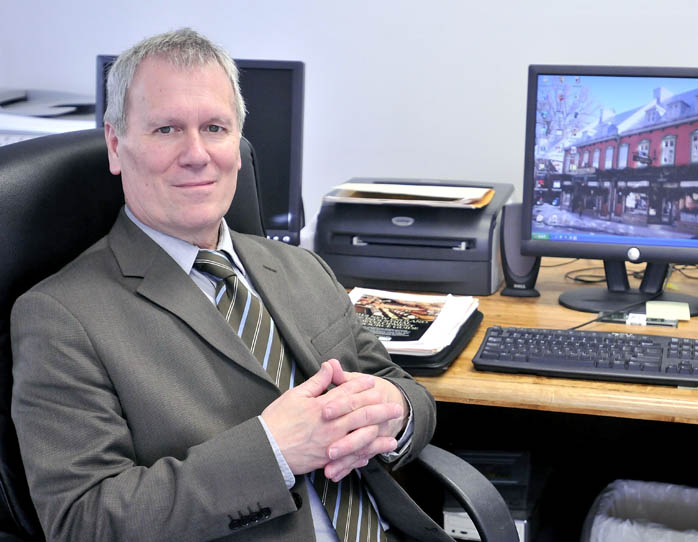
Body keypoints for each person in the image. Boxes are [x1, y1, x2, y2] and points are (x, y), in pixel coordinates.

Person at [10, 28, 449, 542]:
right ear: (115, 144)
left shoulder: (302, 266)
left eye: (215, 127)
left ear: (238, 144)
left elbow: (401, 385)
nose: (197, 154)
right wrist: (273, 453)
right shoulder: (61, 317)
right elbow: (83, 522)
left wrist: (395, 412)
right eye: (167, 130)